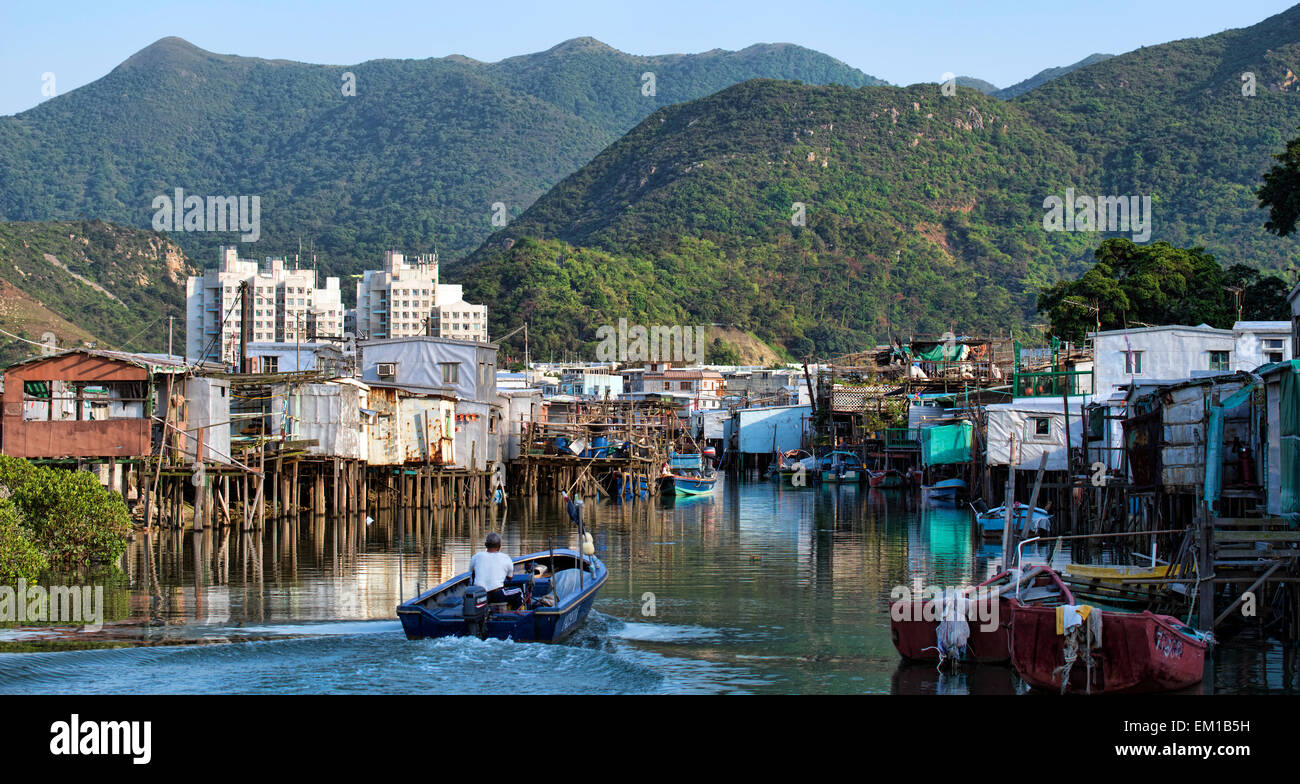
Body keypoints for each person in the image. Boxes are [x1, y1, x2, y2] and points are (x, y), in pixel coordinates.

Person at [469, 532, 522, 609]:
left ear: (485, 545)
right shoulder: (506, 558)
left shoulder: (476, 557)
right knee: (519, 592)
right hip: (497, 595)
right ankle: (514, 616)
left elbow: (471, 571)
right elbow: (510, 578)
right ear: (500, 545)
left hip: (479, 595)